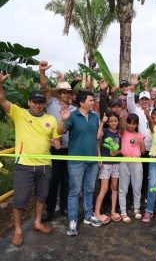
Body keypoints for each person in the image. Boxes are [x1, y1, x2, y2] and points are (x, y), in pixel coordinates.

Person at [0, 73, 60, 247]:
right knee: (20, 200)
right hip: (24, 165)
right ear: (29, 102)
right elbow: (2, 100)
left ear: (44, 103)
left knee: (42, 197)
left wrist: (56, 142)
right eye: (34, 102)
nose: (37, 105)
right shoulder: (19, 113)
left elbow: (55, 139)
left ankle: (37, 222)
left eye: (40, 102)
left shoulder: (50, 119)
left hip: (45, 165)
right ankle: (18, 230)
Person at [58, 90, 103, 236]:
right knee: (75, 192)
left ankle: (88, 215)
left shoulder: (95, 117)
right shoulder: (72, 116)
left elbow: (96, 139)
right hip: (76, 161)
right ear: (82, 102)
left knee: (89, 189)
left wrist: (98, 156)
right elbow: (60, 131)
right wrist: (63, 120)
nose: (93, 102)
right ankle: (72, 221)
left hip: (92, 161)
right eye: (90, 100)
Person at [38, 61, 77, 222]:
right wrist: (42, 73)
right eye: (63, 92)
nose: (66, 95)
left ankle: (66, 208)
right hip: (53, 148)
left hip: (69, 148)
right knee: (52, 180)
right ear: (59, 94)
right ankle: (50, 208)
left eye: (68, 93)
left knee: (67, 179)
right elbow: (45, 88)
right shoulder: (51, 103)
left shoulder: (74, 109)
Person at [94, 112, 122, 223]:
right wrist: (102, 122)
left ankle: (113, 211)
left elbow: (122, 148)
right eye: (111, 121)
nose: (113, 123)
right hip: (105, 163)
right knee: (104, 188)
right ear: (108, 122)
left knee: (115, 187)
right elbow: (97, 138)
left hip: (117, 163)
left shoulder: (120, 133)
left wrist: (118, 152)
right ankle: (97, 213)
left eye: (115, 120)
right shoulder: (105, 131)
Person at [118, 113, 145, 222]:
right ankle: (123, 212)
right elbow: (121, 127)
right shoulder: (123, 133)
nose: (131, 126)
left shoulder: (140, 135)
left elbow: (143, 152)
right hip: (125, 161)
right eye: (129, 123)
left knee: (137, 188)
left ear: (137, 125)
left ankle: (136, 209)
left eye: (134, 124)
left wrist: (142, 143)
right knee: (123, 188)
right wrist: (121, 118)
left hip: (137, 162)